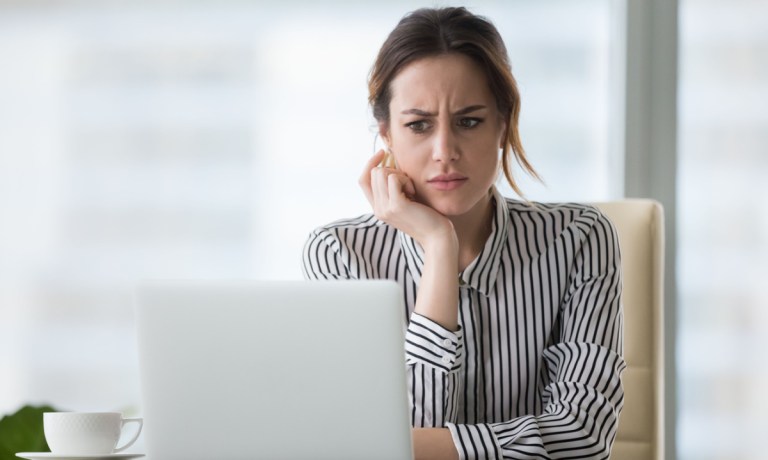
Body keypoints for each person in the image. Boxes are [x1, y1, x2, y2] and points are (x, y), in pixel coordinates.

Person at [303, 6, 625, 460]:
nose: (444, 152)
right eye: (418, 125)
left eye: (469, 121)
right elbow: (410, 427)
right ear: (387, 135)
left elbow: (582, 437)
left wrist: (411, 447)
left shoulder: (580, 239)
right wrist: (438, 249)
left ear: (502, 123)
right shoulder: (339, 254)